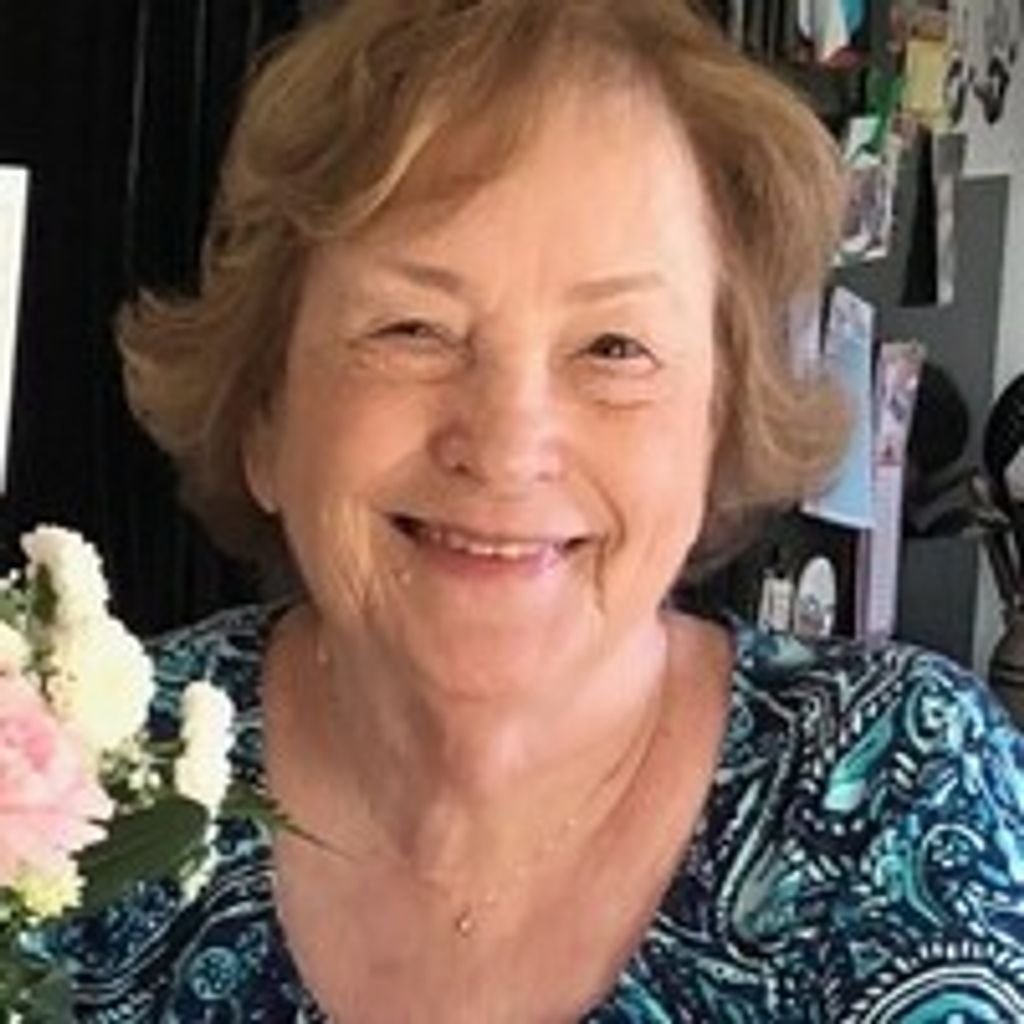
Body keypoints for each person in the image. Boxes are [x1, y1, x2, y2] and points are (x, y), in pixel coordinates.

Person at [50, 0, 1024, 1020]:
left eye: (613, 347)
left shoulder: (900, 790)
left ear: (717, 427)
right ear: (264, 412)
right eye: (412, 328)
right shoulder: (70, 777)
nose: (509, 445)